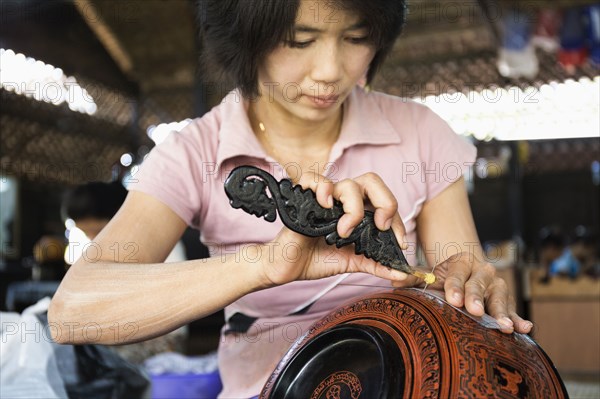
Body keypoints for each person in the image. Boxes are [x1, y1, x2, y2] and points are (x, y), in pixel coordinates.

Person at [49, 1, 533, 397]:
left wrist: (472, 283)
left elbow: (459, 270)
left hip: (402, 378)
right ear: (246, 37)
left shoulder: (420, 133)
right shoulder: (195, 151)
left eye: (357, 37)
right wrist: (264, 265)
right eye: (298, 40)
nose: (330, 71)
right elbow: (74, 311)